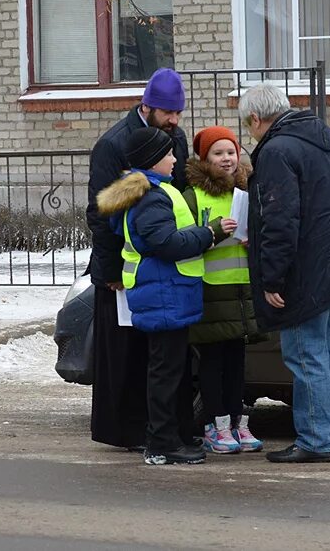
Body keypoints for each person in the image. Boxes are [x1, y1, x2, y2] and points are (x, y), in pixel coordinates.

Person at [239, 84, 330, 464]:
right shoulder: (317, 140)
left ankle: (315, 440)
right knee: (328, 354)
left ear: (255, 119)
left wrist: (272, 277)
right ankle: (329, 438)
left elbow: (281, 219)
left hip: (304, 270)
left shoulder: (277, 151)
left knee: (306, 355)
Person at [96, 127, 233, 465]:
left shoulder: (154, 191)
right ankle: (161, 442)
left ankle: (171, 436)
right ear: (152, 160)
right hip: (163, 292)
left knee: (170, 369)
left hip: (167, 292)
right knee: (165, 371)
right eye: (169, 154)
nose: (175, 159)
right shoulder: (153, 196)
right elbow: (167, 243)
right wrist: (209, 233)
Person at [86, 68, 191, 451]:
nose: (175, 121)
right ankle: (126, 430)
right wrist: (111, 269)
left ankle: (160, 427)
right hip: (123, 269)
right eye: (168, 113)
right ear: (147, 106)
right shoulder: (113, 144)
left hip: (162, 262)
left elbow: (179, 193)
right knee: (124, 352)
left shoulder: (173, 137)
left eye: (178, 113)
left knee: (159, 355)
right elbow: (100, 212)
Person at [181, 126, 262, 454]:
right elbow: (184, 240)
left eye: (231, 151)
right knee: (213, 362)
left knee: (237, 361)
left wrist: (251, 237)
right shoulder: (195, 195)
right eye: (218, 153)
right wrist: (212, 233)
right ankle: (216, 425)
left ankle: (237, 424)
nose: (227, 159)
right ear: (205, 159)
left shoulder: (245, 191)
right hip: (212, 291)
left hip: (241, 291)